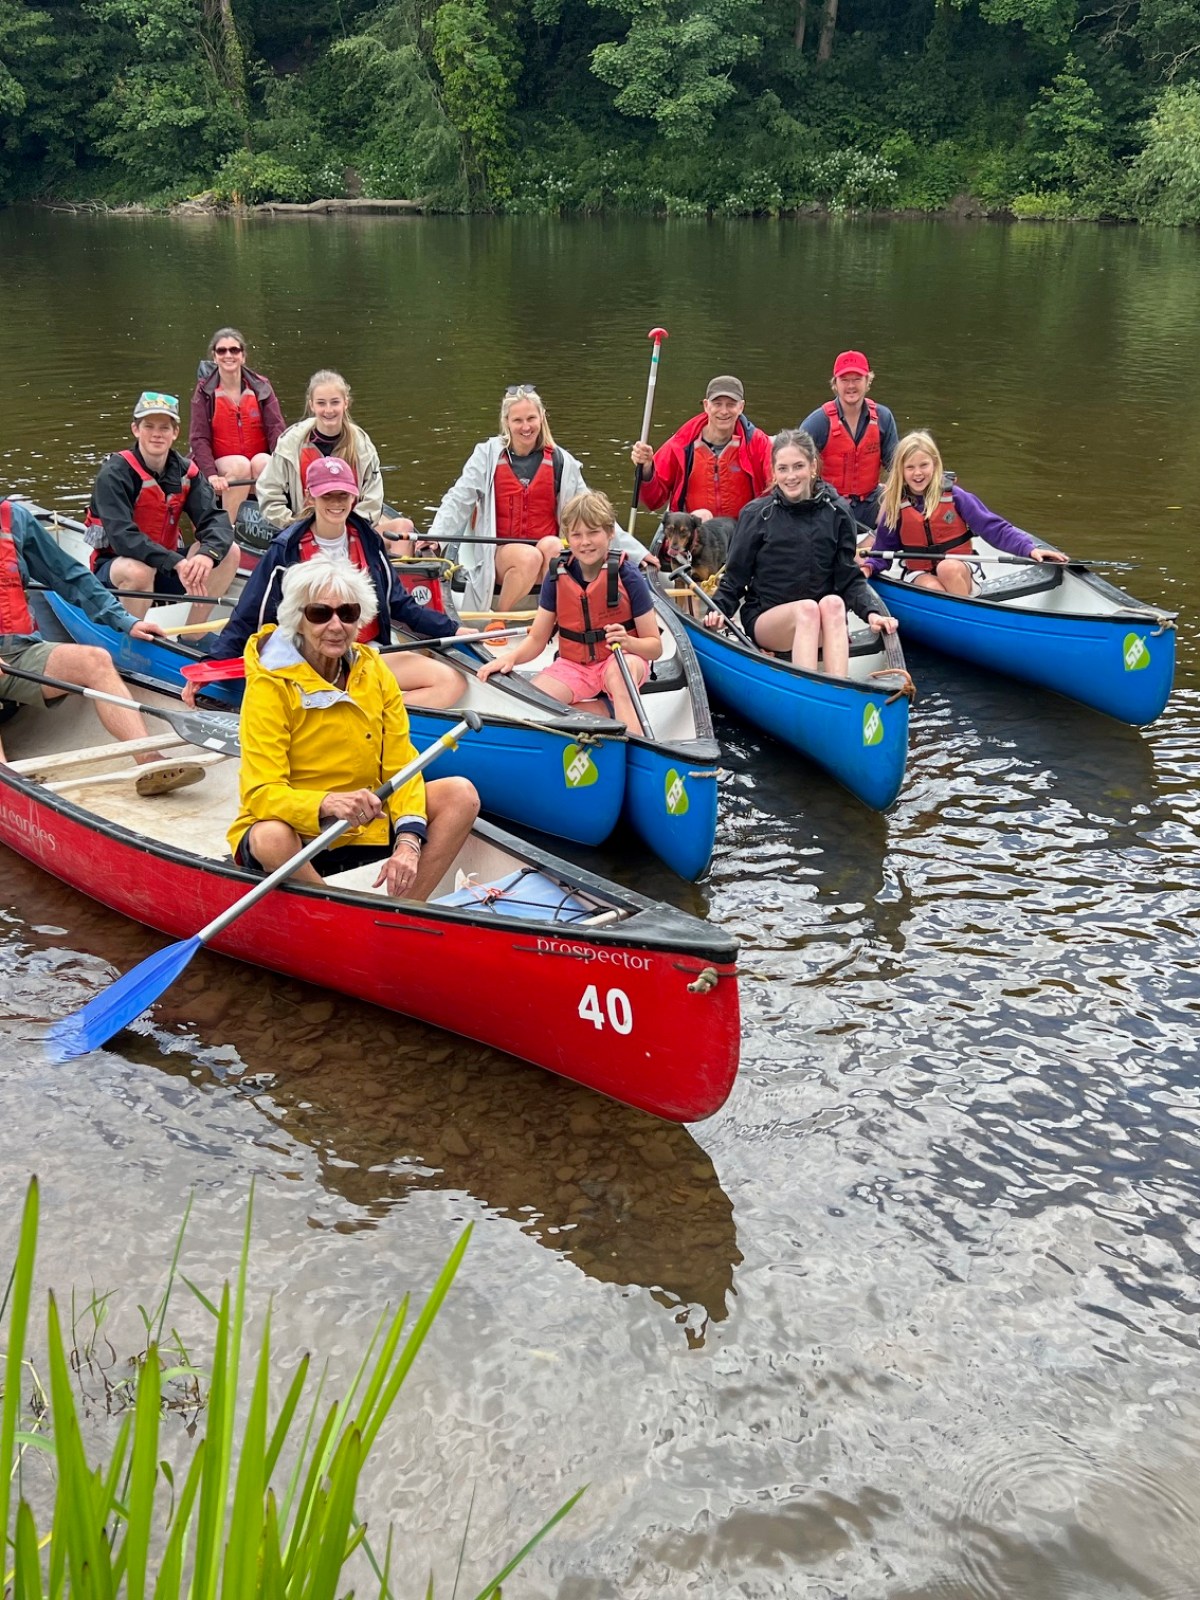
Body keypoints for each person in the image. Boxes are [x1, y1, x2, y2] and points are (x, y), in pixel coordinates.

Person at [227, 557, 479, 901]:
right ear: (296, 619)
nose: (336, 625)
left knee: (460, 794)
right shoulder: (269, 685)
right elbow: (260, 793)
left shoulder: (373, 670)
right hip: (303, 832)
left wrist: (408, 841)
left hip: (366, 821)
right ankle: (332, 916)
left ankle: (402, 911)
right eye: (319, 613)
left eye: (347, 614)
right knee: (269, 835)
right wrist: (328, 803)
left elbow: (400, 764)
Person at [186, 456, 468, 710]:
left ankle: (359, 716)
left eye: (342, 495)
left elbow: (401, 605)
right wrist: (210, 666)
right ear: (310, 497)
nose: (336, 503)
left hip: (362, 652)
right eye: (327, 495)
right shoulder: (286, 550)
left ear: (354, 497)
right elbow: (248, 616)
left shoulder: (369, 543)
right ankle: (349, 712)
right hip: (309, 659)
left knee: (451, 682)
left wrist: (454, 629)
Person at [0, 496, 202, 793]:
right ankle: (9, 785)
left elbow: (69, 576)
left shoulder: (13, 518)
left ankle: (149, 761)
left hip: (17, 652)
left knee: (96, 660)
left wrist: (125, 621)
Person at [426, 386, 651, 624]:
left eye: (531, 418)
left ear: (541, 418)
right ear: (507, 422)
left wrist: (638, 553)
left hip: (545, 554)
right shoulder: (487, 456)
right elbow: (458, 500)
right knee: (528, 557)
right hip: (500, 557)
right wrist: (434, 538)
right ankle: (500, 618)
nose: (526, 427)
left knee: (555, 546)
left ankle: (555, 618)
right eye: (518, 420)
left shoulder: (561, 461)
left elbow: (593, 514)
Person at [704, 430, 898, 676]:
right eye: (783, 468)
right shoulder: (756, 514)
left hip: (820, 620)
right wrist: (717, 610)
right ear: (774, 472)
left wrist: (872, 613)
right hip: (769, 620)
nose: (791, 476)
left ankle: (839, 684)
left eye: (798, 466)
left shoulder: (837, 511)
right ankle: (808, 687)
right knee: (807, 609)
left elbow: (848, 576)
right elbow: (735, 577)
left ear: (813, 466)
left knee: (833, 602)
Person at [478, 491, 662, 729]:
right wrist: (510, 658)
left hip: (622, 659)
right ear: (567, 539)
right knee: (533, 706)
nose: (585, 542)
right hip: (576, 664)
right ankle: (605, 710)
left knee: (619, 676)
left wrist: (628, 642)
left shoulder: (629, 576)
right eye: (577, 535)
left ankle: (636, 747)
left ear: (610, 533)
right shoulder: (557, 576)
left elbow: (654, 647)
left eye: (593, 532)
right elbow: (537, 639)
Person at [85, 391, 240, 625]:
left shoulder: (187, 472)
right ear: (136, 429)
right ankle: (129, 638)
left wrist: (207, 555)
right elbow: (122, 538)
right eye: (149, 426)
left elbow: (215, 522)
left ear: (175, 433)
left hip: (166, 566)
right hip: (117, 569)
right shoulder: (114, 474)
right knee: (140, 572)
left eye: (164, 428)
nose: (156, 434)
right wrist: (176, 562)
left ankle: (194, 636)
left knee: (229, 552)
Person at [865, 431, 1069, 596]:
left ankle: (966, 615)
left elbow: (994, 528)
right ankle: (954, 624)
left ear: (935, 465)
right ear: (901, 471)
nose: (918, 473)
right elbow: (882, 551)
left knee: (948, 568)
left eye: (924, 465)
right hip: (919, 572)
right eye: (910, 467)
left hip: (960, 567)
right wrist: (868, 567)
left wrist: (1029, 549)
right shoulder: (894, 507)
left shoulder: (956, 496)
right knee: (931, 588)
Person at [255, 370, 414, 550]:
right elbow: (269, 495)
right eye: (321, 403)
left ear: (346, 403)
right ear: (312, 405)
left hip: (352, 531)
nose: (328, 410)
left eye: (335, 402)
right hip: (304, 533)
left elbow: (373, 500)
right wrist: (296, 525)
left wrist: (348, 532)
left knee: (404, 527)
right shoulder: (290, 444)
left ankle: (396, 575)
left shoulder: (362, 445)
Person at [630, 375, 772, 522]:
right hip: (695, 533)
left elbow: (774, 488)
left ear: (741, 407)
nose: (724, 411)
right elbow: (653, 501)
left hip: (744, 533)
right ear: (706, 406)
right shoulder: (681, 444)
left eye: (731, 404)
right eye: (717, 404)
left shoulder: (759, 443)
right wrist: (646, 469)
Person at [189, 328, 287, 524]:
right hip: (224, 467)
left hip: (256, 466)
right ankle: (226, 530)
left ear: (243, 356)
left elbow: (277, 429)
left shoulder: (261, 387)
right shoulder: (204, 392)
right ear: (214, 357)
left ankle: (271, 527)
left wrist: (284, 466)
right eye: (222, 351)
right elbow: (199, 438)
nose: (228, 355)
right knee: (240, 465)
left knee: (264, 462)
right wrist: (211, 474)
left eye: (234, 350)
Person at [798, 351, 900, 530]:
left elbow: (897, 467)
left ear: (868, 381)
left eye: (857, 379)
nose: (851, 386)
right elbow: (796, 465)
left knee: (902, 502)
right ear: (835, 384)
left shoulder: (883, 417)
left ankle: (878, 543)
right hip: (829, 505)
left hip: (870, 504)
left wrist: (893, 495)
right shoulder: (818, 422)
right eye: (844, 380)